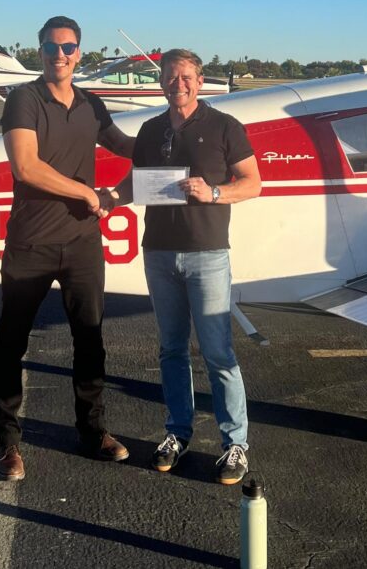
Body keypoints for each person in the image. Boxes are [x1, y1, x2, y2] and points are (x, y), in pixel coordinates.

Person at [108, 48, 261, 485]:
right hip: (158, 252)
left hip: (207, 253)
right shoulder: (151, 128)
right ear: (162, 82)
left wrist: (213, 193)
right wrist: (106, 199)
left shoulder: (225, 126)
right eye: (172, 77)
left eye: (187, 77)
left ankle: (235, 444)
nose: (180, 84)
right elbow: (135, 182)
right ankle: (177, 433)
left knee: (218, 352)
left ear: (200, 80)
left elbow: (253, 183)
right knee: (171, 349)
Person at [0, 16, 134, 481]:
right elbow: (26, 167)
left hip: (82, 244)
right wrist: (87, 193)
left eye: (68, 47)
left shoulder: (92, 103)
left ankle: (93, 433)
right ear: (39, 52)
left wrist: (176, 141)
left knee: (89, 340)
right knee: (12, 343)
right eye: (51, 47)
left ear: (79, 52)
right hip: (31, 242)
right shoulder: (23, 99)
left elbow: (123, 145)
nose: (60, 55)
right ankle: (7, 443)